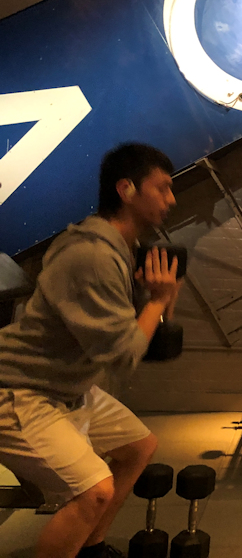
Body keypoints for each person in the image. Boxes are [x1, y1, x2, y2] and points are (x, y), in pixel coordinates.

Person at [0, 143, 181, 558]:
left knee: (139, 447)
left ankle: (90, 548)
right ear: (126, 189)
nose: (171, 200)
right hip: (18, 391)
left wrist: (160, 297)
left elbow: (139, 335)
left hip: (68, 386)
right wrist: (155, 302)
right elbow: (122, 356)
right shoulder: (94, 255)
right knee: (95, 490)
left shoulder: (122, 248)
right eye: (163, 189)